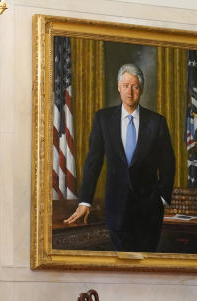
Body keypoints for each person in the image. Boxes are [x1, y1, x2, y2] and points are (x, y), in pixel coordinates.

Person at [64, 63, 176, 252]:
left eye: (134, 86)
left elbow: (168, 163)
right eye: (125, 86)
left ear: (141, 89)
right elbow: (93, 162)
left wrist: (162, 198)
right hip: (116, 208)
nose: (130, 92)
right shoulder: (103, 119)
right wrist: (85, 201)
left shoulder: (157, 122)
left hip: (149, 211)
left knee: (147, 265)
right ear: (118, 87)